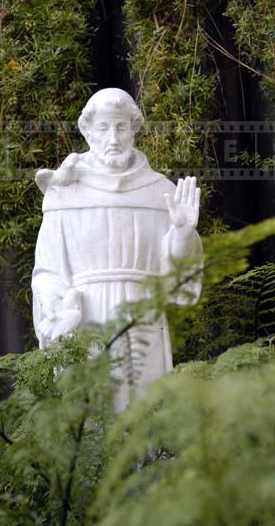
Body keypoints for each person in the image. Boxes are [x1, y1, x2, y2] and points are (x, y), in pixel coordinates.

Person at [31, 88, 202, 408]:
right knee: (92, 423)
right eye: (104, 128)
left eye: (121, 127)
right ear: (88, 131)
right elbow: (47, 271)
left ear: (134, 129)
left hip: (144, 322)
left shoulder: (160, 193)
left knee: (144, 421)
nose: (113, 138)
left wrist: (182, 234)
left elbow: (176, 286)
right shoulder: (65, 194)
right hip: (85, 321)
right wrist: (58, 311)